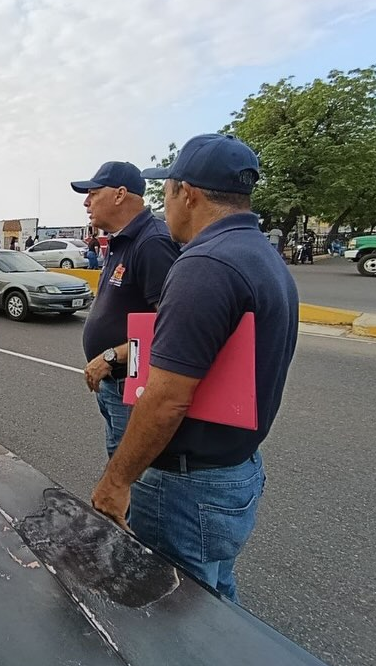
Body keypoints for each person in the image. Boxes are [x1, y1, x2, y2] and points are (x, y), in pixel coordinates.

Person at [90, 134, 299, 603]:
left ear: (187, 193)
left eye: (165, 192)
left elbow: (167, 398)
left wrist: (116, 481)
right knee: (214, 603)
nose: (163, 206)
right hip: (234, 470)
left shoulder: (204, 263)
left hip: (188, 486)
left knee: (176, 614)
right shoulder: (260, 254)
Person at [71, 162, 179, 459]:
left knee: (129, 469)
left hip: (131, 383)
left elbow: (172, 328)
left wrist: (111, 356)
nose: (86, 202)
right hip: (114, 383)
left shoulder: (152, 242)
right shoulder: (122, 239)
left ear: (119, 195)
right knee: (118, 458)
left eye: (93, 193)